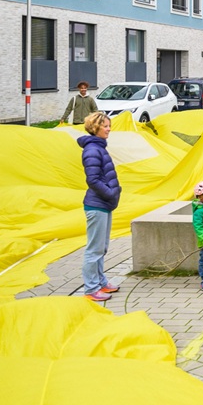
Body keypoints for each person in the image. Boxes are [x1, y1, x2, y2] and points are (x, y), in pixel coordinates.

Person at [79, 112, 120, 302]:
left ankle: (101, 281)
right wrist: (111, 193)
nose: (109, 129)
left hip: (104, 204)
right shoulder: (92, 150)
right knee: (94, 249)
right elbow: (93, 179)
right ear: (95, 127)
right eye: (105, 126)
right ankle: (91, 288)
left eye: (109, 125)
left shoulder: (99, 148)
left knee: (101, 247)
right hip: (97, 204)